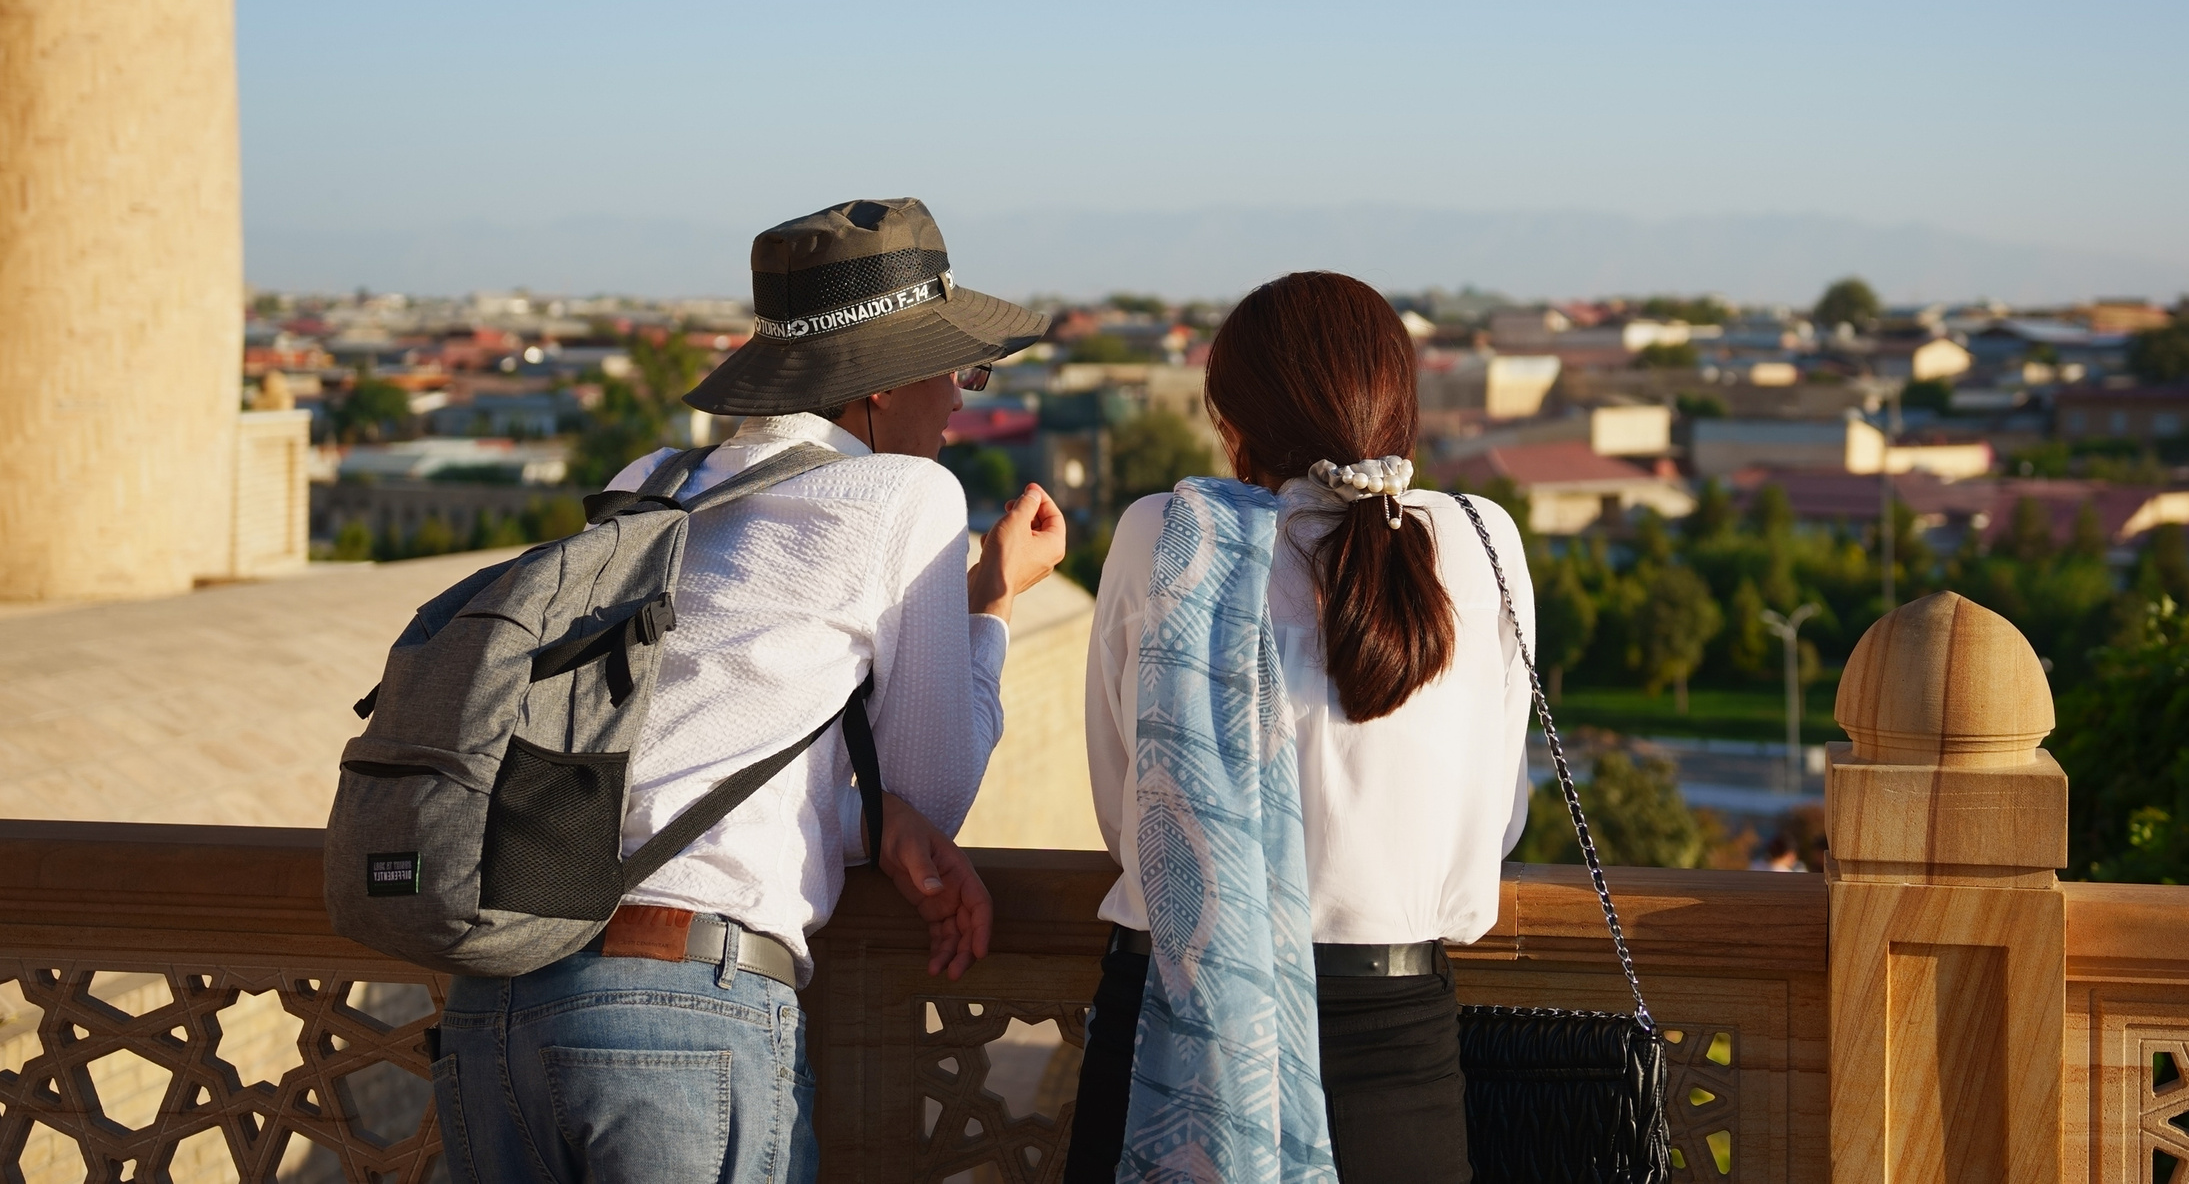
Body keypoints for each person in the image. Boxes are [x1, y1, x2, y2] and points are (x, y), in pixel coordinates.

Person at [432, 197, 1066, 1184]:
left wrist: (867, 823)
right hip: (675, 1009)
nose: (959, 400)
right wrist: (991, 603)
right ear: (881, 381)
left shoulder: (651, 478)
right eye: (957, 370)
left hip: (494, 1006)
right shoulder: (906, 497)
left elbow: (692, 751)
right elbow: (937, 794)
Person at [1064, 271, 1536, 1184]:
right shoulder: (1481, 538)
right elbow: (1498, 819)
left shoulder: (1164, 534)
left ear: (1234, 427)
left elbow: (1126, 813)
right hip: (1394, 1044)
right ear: (1399, 408)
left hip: (1175, 1025)